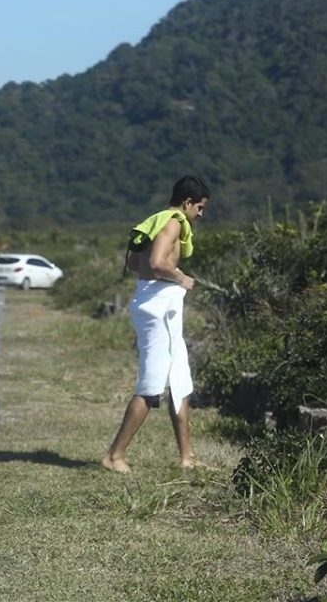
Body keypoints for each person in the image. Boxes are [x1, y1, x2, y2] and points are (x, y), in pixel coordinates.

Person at [102, 176, 211, 474]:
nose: (200, 214)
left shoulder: (155, 220)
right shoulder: (174, 222)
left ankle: (186, 457)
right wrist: (180, 277)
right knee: (151, 386)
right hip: (158, 309)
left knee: (180, 380)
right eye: (199, 207)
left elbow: (135, 265)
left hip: (156, 303)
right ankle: (114, 455)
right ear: (187, 202)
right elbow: (156, 262)